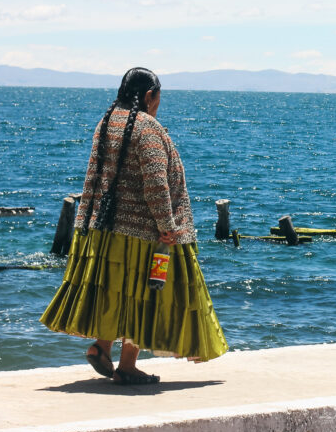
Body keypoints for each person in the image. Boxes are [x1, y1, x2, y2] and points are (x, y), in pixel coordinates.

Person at [41, 67, 228, 384]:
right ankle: (126, 366)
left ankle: (102, 347)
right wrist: (167, 227)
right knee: (146, 297)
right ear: (149, 96)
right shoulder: (147, 129)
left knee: (120, 293)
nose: (157, 105)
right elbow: (156, 184)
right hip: (146, 234)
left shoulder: (106, 122)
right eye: (157, 99)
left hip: (105, 231)